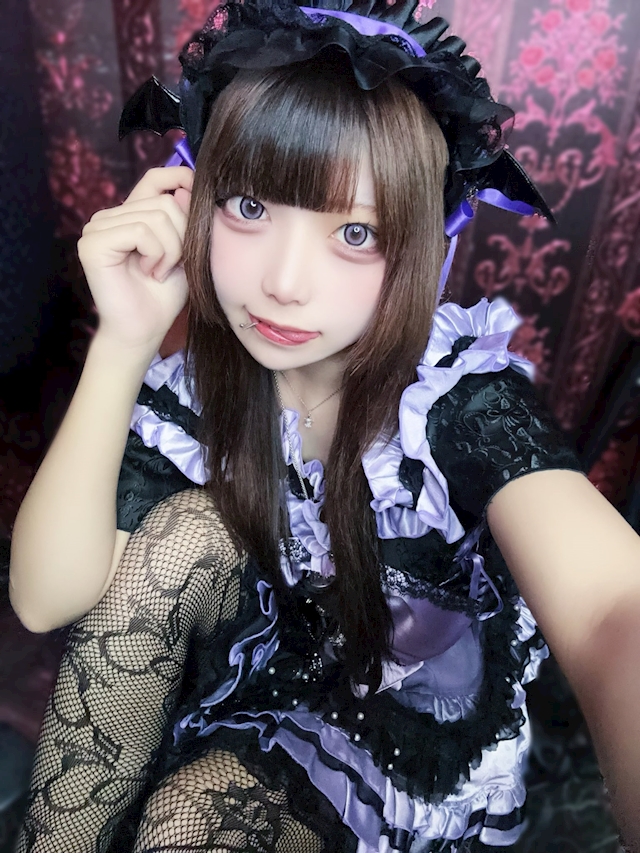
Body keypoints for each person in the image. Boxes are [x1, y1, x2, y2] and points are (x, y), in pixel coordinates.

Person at [9, 0, 640, 850]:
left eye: (354, 231)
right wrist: (122, 342)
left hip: (395, 727)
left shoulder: (452, 402)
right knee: (187, 529)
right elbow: (45, 598)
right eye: (248, 206)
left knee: (188, 821)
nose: (284, 282)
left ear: (420, 246)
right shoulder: (201, 390)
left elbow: (610, 608)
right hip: (251, 669)